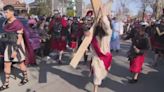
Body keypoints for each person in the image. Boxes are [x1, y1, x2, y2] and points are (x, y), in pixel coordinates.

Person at [0, 5, 29, 91]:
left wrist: (16, 50)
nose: (5, 14)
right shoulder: (5, 22)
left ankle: (25, 77)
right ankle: (6, 84)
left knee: (21, 64)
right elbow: (5, 33)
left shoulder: (18, 23)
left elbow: (20, 37)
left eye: (6, 12)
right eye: (4, 12)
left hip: (17, 46)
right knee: (6, 64)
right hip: (8, 45)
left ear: (12, 12)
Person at [85, 6, 112, 92]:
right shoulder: (95, 32)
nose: (101, 23)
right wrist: (87, 34)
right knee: (96, 74)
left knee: (102, 74)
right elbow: (88, 40)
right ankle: (95, 90)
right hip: (96, 56)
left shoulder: (108, 32)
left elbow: (106, 25)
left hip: (105, 55)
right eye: (99, 21)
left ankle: (98, 80)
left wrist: (103, 15)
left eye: (102, 21)